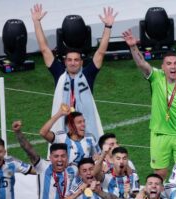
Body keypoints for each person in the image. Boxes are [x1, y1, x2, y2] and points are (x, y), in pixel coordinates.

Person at [122, 29, 176, 180]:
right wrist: (133, 47)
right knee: (160, 173)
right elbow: (142, 63)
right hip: (159, 134)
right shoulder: (156, 77)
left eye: (175, 64)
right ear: (163, 67)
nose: (172, 67)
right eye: (169, 64)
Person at [31, 4, 117, 140]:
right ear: (65, 62)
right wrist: (36, 22)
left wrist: (108, 27)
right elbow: (44, 49)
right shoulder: (59, 73)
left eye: (76, 60)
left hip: (86, 126)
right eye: (69, 60)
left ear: (81, 62)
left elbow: (100, 52)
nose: (72, 62)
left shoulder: (88, 74)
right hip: (63, 124)